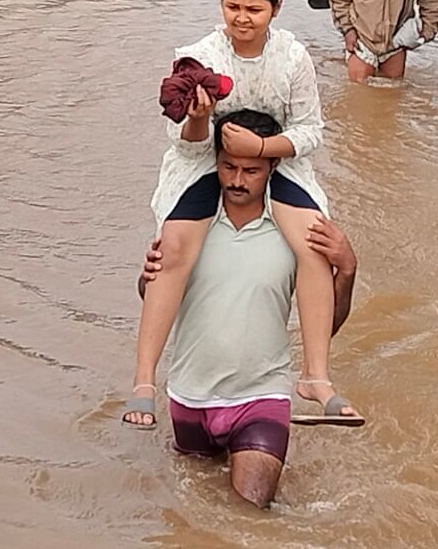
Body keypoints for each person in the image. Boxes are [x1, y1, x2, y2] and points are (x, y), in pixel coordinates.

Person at [124, 0, 362, 431]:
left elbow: (311, 131)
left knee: (314, 244)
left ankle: (316, 376)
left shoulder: (293, 57)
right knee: (172, 249)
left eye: (254, 10)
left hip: (278, 162)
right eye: (233, 7)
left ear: (275, 10)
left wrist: (264, 146)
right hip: (206, 163)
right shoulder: (198, 57)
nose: (242, 18)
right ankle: (145, 381)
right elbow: (185, 144)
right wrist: (197, 121)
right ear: (221, 6)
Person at [136, 109, 360, 508]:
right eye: (228, 167)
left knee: (248, 514)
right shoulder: (191, 226)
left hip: (262, 396)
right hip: (190, 397)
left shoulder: (296, 236)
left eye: (251, 171)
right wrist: (149, 271)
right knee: (190, 513)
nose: (237, 180)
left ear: (273, 166)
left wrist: (346, 271)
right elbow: (155, 298)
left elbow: (324, 327)